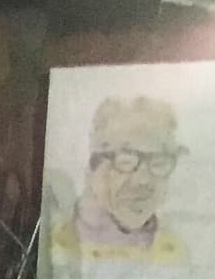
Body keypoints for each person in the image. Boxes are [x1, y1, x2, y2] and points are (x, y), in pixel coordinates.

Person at [53, 97, 186, 261]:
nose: (143, 180)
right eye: (126, 160)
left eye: (158, 162)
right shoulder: (56, 246)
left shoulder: (173, 252)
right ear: (93, 168)